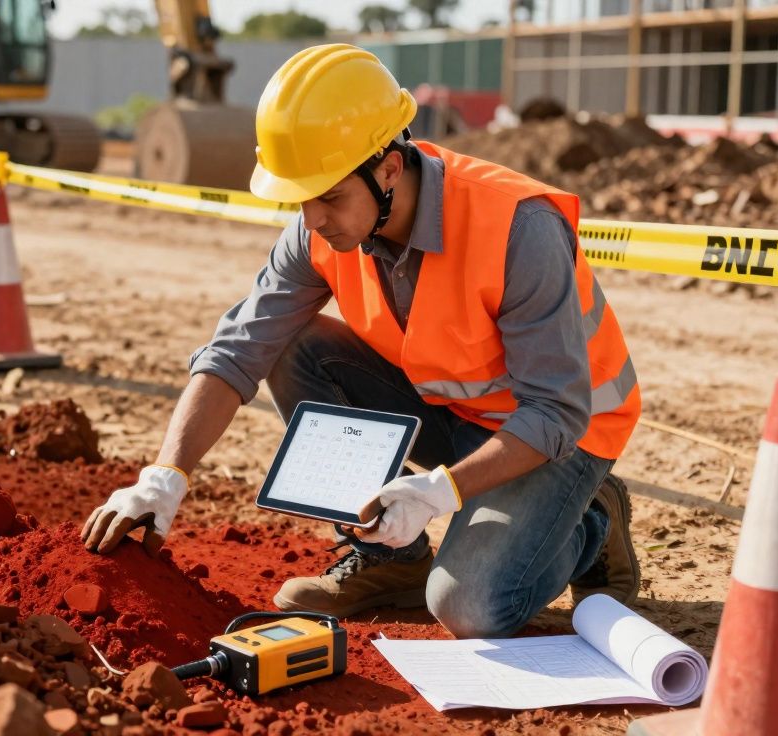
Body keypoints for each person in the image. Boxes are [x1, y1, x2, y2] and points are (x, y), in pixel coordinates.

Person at [81, 44, 641, 638]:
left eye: (328, 195)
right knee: (291, 342)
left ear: (390, 170)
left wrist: (438, 490)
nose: (313, 218)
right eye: (301, 197)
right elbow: (240, 348)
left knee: (469, 607)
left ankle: (593, 519)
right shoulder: (318, 228)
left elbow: (555, 410)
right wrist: (165, 475)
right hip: (455, 410)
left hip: (559, 432)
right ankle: (389, 560)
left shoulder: (517, 227)